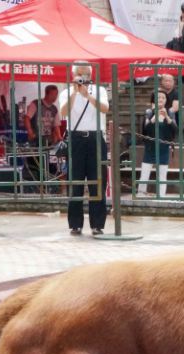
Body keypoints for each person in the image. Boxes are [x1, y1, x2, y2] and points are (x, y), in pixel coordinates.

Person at [58, 61, 111, 236]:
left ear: (91, 75)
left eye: (86, 74)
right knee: (75, 180)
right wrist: (75, 92)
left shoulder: (99, 90)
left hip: (95, 136)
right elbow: (64, 113)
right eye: (79, 74)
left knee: (98, 180)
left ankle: (97, 224)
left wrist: (87, 95)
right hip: (76, 137)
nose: (83, 78)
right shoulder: (66, 92)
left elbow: (105, 108)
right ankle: (75, 223)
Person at [22, 84, 62, 192]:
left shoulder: (54, 109)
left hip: (47, 143)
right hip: (35, 142)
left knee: (46, 165)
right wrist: (30, 132)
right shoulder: (36, 104)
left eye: (56, 95)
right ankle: (35, 188)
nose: (55, 97)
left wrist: (58, 137)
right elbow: (27, 118)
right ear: (47, 94)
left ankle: (45, 187)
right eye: (53, 94)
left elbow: (56, 125)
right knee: (35, 165)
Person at [138, 90, 178, 198]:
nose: (160, 99)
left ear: (166, 100)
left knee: (162, 175)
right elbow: (145, 130)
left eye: (163, 97)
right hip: (150, 148)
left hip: (164, 147)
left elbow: (175, 129)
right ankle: (141, 194)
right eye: (158, 97)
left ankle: (161, 196)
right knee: (145, 174)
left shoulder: (170, 112)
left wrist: (167, 117)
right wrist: (155, 116)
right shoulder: (149, 112)